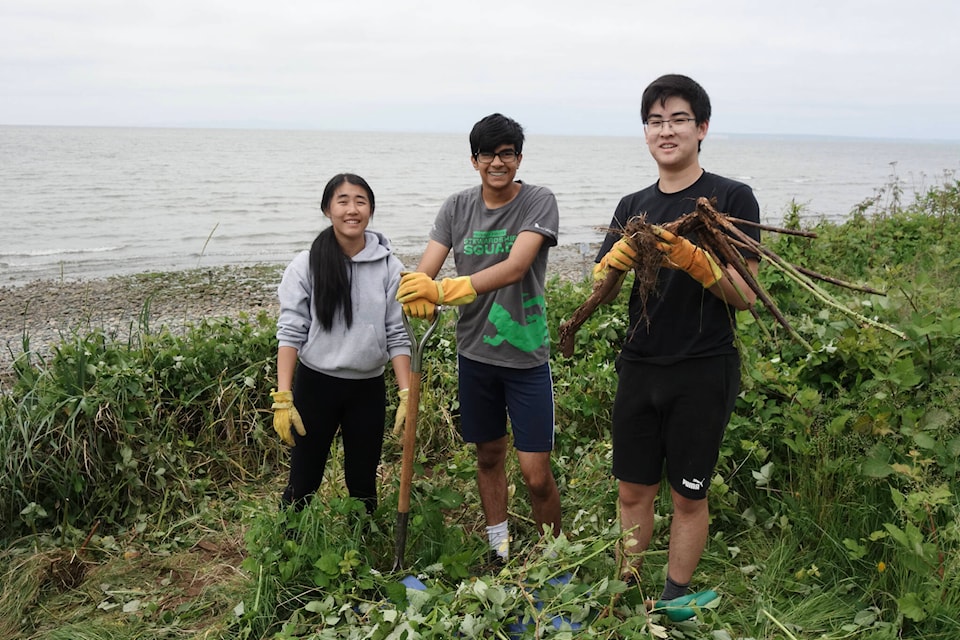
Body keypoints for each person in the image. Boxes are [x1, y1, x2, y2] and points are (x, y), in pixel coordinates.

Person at [593, 74, 761, 611]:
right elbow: (599, 286)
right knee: (632, 490)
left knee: (689, 494)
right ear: (646, 133)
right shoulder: (632, 204)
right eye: (655, 121)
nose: (666, 130)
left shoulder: (731, 197)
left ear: (702, 127)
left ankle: (672, 599)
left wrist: (695, 260)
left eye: (678, 119)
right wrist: (612, 264)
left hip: (702, 366)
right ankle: (630, 592)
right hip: (639, 365)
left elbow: (746, 294)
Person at [396, 113, 562, 563]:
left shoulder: (538, 201)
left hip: (526, 357)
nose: (497, 162)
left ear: (518, 158)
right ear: (474, 160)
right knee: (488, 457)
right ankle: (500, 549)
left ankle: (554, 559)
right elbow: (425, 270)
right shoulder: (456, 208)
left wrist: (445, 291)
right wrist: (415, 289)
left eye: (506, 153)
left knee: (535, 474)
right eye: (487, 153)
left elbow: (517, 265)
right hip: (474, 355)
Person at [270, 173, 411, 514]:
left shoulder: (390, 267)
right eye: (343, 201)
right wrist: (283, 396)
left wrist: (407, 393)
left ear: (371, 210)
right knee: (303, 480)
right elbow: (291, 332)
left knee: (363, 482)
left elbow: (397, 334)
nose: (352, 209)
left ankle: (362, 552)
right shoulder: (306, 264)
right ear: (327, 209)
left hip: (367, 388)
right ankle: (286, 550)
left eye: (360, 201)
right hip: (316, 385)